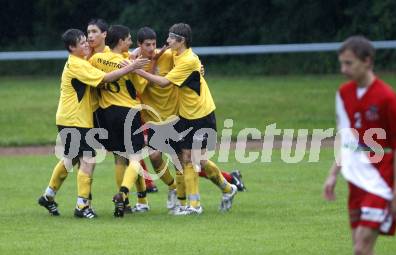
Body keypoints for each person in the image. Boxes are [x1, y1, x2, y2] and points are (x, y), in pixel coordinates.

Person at [323, 36, 396, 255]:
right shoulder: (344, 93)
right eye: (342, 63)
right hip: (356, 180)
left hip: (381, 181)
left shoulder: (387, 98)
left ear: (367, 61)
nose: (343, 69)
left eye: (349, 63)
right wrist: (333, 173)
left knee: (362, 249)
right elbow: (347, 138)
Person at [133, 26, 246, 213]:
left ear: (181, 40)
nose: (167, 41)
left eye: (171, 38)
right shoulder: (176, 53)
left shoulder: (187, 60)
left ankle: (214, 195)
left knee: (196, 159)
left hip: (201, 114)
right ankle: (214, 195)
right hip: (185, 114)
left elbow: (162, 82)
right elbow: (146, 51)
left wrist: (135, 70)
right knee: (188, 159)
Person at [38, 28, 148, 218]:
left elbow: (110, 61)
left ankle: (48, 196)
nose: (86, 44)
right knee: (87, 160)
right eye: (82, 42)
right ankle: (82, 207)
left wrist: (133, 56)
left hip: (71, 119)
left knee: (71, 158)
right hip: (75, 120)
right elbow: (105, 77)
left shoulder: (82, 62)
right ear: (72, 47)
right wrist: (131, 67)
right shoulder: (78, 65)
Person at [87, 19, 159, 200]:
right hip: (128, 112)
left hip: (106, 113)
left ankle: (130, 202)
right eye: (128, 39)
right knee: (135, 156)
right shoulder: (128, 63)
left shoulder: (96, 59)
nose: (131, 43)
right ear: (120, 41)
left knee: (119, 157)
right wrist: (150, 69)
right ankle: (124, 193)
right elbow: (141, 87)